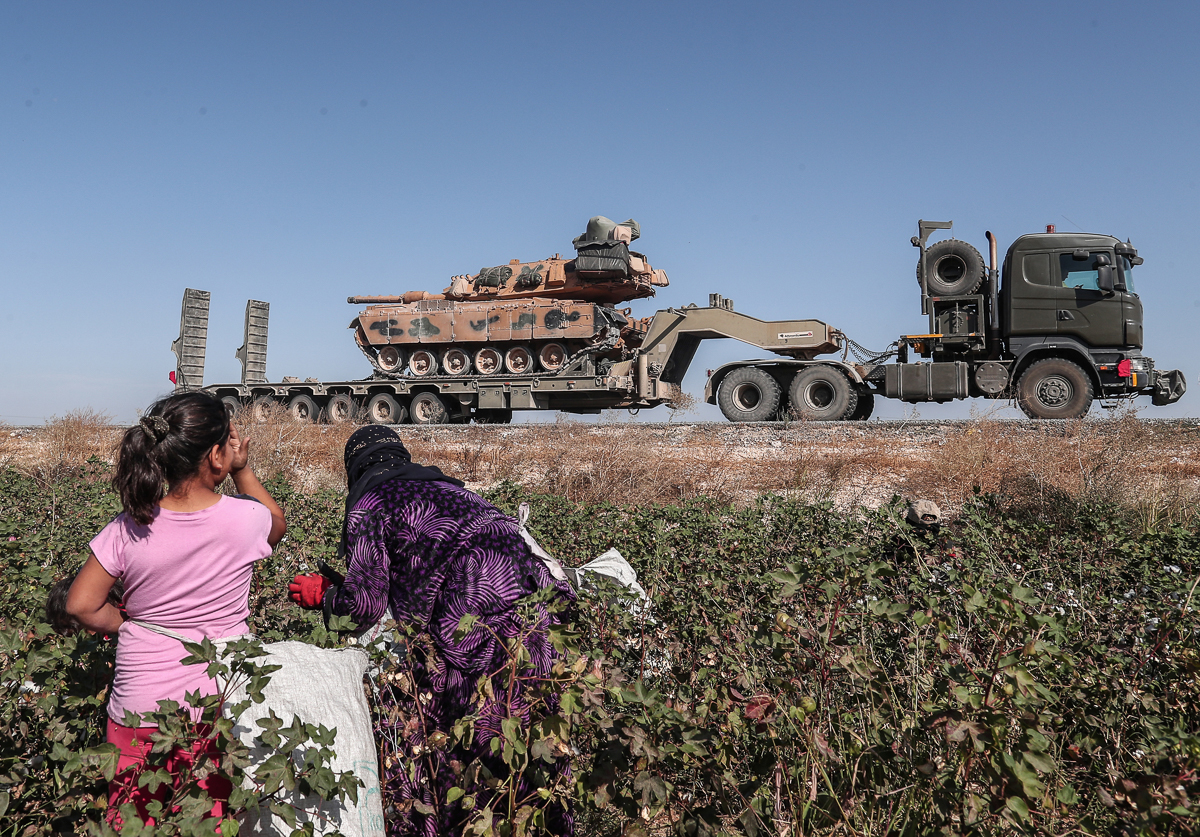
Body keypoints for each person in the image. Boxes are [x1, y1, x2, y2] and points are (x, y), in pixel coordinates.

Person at [288, 426, 575, 837]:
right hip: (539, 619)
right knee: (534, 748)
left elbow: (365, 605)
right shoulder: (456, 491)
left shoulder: (371, 502)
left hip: (476, 630)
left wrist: (327, 596)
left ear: (354, 470)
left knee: (466, 750)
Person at [66, 391, 286, 826]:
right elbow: (276, 523)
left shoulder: (129, 525)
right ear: (217, 456)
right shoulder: (245, 520)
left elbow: (80, 604)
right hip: (216, 706)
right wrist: (242, 470)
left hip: (138, 704)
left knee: (133, 821)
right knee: (206, 821)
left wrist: (129, 623)